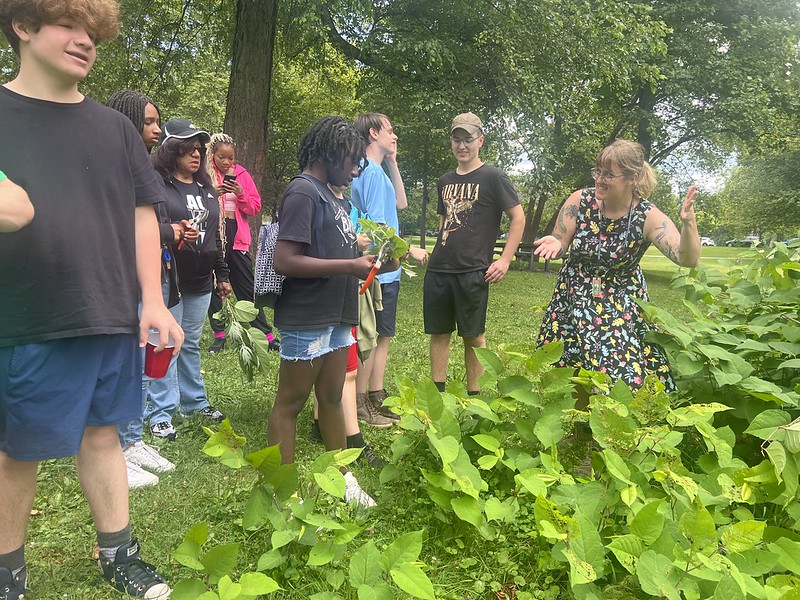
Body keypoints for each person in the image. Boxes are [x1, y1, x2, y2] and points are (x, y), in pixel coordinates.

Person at [0, 1, 184, 598]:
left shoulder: (116, 129)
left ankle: (119, 554)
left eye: (92, 32)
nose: (84, 41)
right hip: (29, 316)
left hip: (110, 310)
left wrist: (153, 301)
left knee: (105, 434)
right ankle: (7, 574)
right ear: (22, 26)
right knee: (16, 450)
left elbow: (140, 214)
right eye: (67, 26)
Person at [267, 116, 398, 507]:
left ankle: (344, 478)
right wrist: (348, 266)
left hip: (339, 314)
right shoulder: (303, 192)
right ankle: (284, 493)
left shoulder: (336, 197)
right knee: (290, 403)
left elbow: (342, 252)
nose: (358, 170)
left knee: (330, 399)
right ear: (332, 153)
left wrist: (378, 260)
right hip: (307, 318)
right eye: (353, 161)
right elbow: (285, 260)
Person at [534, 139, 700, 392]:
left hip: (620, 302)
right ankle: (582, 430)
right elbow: (561, 239)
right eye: (597, 171)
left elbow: (686, 258)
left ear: (631, 178)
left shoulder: (648, 216)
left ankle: (616, 427)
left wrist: (689, 224)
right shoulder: (580, 200)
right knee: (573, 367)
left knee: (622, 374)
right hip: (573, 295)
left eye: (608, 175)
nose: (599, 179)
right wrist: (556, 244)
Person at [423, 113, 525, 394]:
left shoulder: (494, 177)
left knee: (474, 337)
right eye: (456, 139)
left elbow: (518, 218)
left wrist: (504, 260)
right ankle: (438, 395)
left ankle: (475, 399)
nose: (462, 145)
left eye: (468, 138)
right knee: (439, 333)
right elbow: (444, 222)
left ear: (480, 140)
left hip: (473, 270)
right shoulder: (444, 180)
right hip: (439, 270)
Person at [106, 89, 177, 488]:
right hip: (120, 279)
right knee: (124, 361)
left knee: (141, 362)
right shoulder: (111, 166)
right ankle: (116, 447)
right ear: (127, 120)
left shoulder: (145, 168)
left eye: (157, 121)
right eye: (148, 121)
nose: (156, 129)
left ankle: (132, 442)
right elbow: (121, 224)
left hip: (149, 278)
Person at [147, 119, 231, 441]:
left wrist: (221, 273)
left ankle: (193, 402)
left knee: (191, 344)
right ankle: (160, 412)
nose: (196, 154)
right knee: (168, 344)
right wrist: (175, 231)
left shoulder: (206, 189)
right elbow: (152, 227)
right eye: (188, 148)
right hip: (171, 278)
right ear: (172, 150)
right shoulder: (158, 184)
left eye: (199, 149)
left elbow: (215, 235)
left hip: (200, 280)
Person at [351, 113, 427, 425]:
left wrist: (393, 162)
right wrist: (410, 249)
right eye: (390, 131)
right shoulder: (372, 175)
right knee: (372, 339)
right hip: (380, 269)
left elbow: (401, 204)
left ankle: (375, 396)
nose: (395, 136)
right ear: (373, 133)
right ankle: (361, 406)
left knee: (381, 336)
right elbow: (381, 229)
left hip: (377, 269)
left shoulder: (367, 170)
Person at [309, 183, 389, 467]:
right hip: (328, 296)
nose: (353, 172)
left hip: (344, 294)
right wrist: (355, 244)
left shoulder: (345, 204)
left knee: (337, 369)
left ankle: (321, 424)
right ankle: (354, 441)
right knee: (344, 372)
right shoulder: (315, 198)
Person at [205, 133, 280, 353]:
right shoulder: (204, 173)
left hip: (236, 239)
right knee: (213, 287)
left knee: (247, 288)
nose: (226, 162)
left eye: (231, 158)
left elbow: (255, 207)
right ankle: (219, 336)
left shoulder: (242, 175)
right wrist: (212, 194)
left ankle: (267, 336)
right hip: (213, 238)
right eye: (221, 157)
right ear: (213, 155)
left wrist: (241, 194)